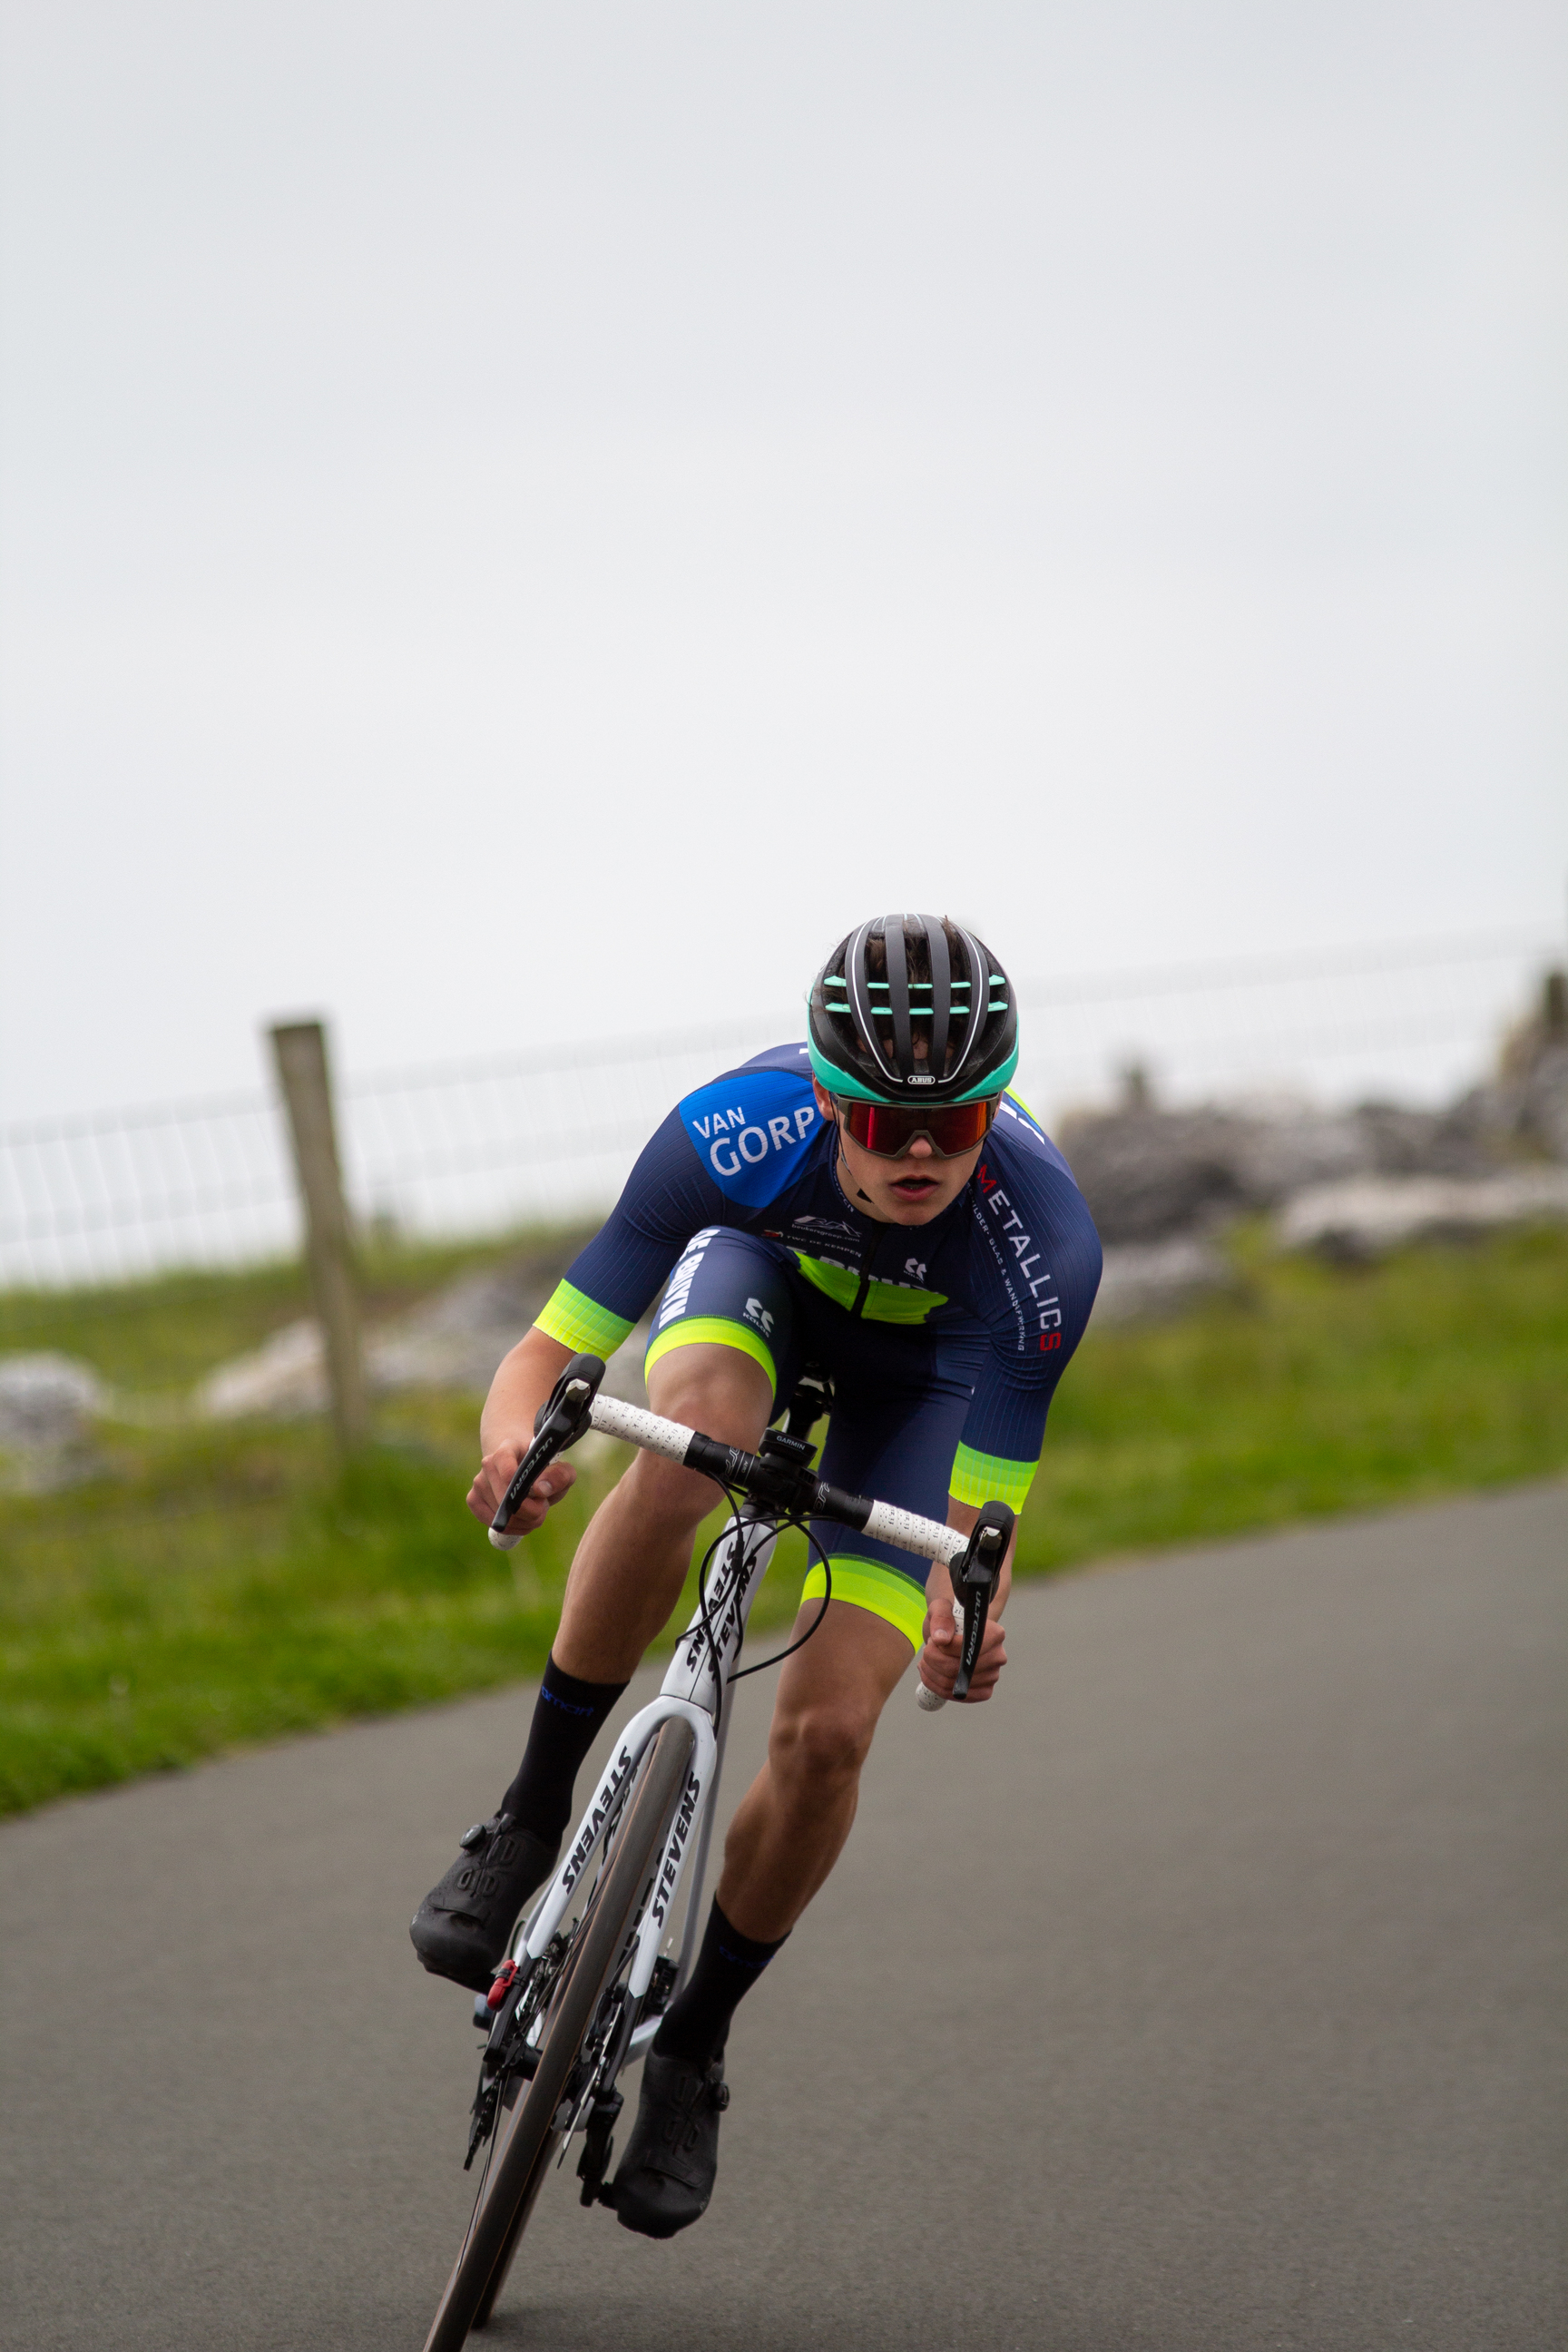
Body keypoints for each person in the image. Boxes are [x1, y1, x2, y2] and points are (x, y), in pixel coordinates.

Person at [411, 912, 1102, 2238]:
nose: (914, 1153)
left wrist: (968, 1629)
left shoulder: (1045, 1248)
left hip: (930, 1385)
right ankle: (527, 1817)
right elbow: (542, 1356)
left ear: (995, 1112)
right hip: (761, 1289)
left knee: (834, 1730)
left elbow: (982, 1529)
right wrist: (512, 1446)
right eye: (883, 1120)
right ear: (827, 1097)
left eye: (952, 1129)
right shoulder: (733, 1131)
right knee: (687, 1454)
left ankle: (693, 2048)